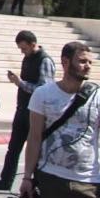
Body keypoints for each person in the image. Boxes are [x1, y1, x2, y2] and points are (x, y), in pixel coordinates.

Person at [20, 41, 97, 197]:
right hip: (50, 177)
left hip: (88, 181)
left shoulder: (97, 96)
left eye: (90, 62)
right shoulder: (43, 94)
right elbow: (34, 137)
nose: (88, 66)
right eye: (82, 61)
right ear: (65, 62)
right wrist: (27, 177)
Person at [0, 30, 56, 193]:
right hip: (23, 109)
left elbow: (44, 89)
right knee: (13, 147)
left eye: (24, 48)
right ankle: (5, 181)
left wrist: (20, 83)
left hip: (36, 113)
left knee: (35, 148)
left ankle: (36, 184)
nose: (22, 52)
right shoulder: (28, 58)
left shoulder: (44, 60)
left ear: (32, 44)